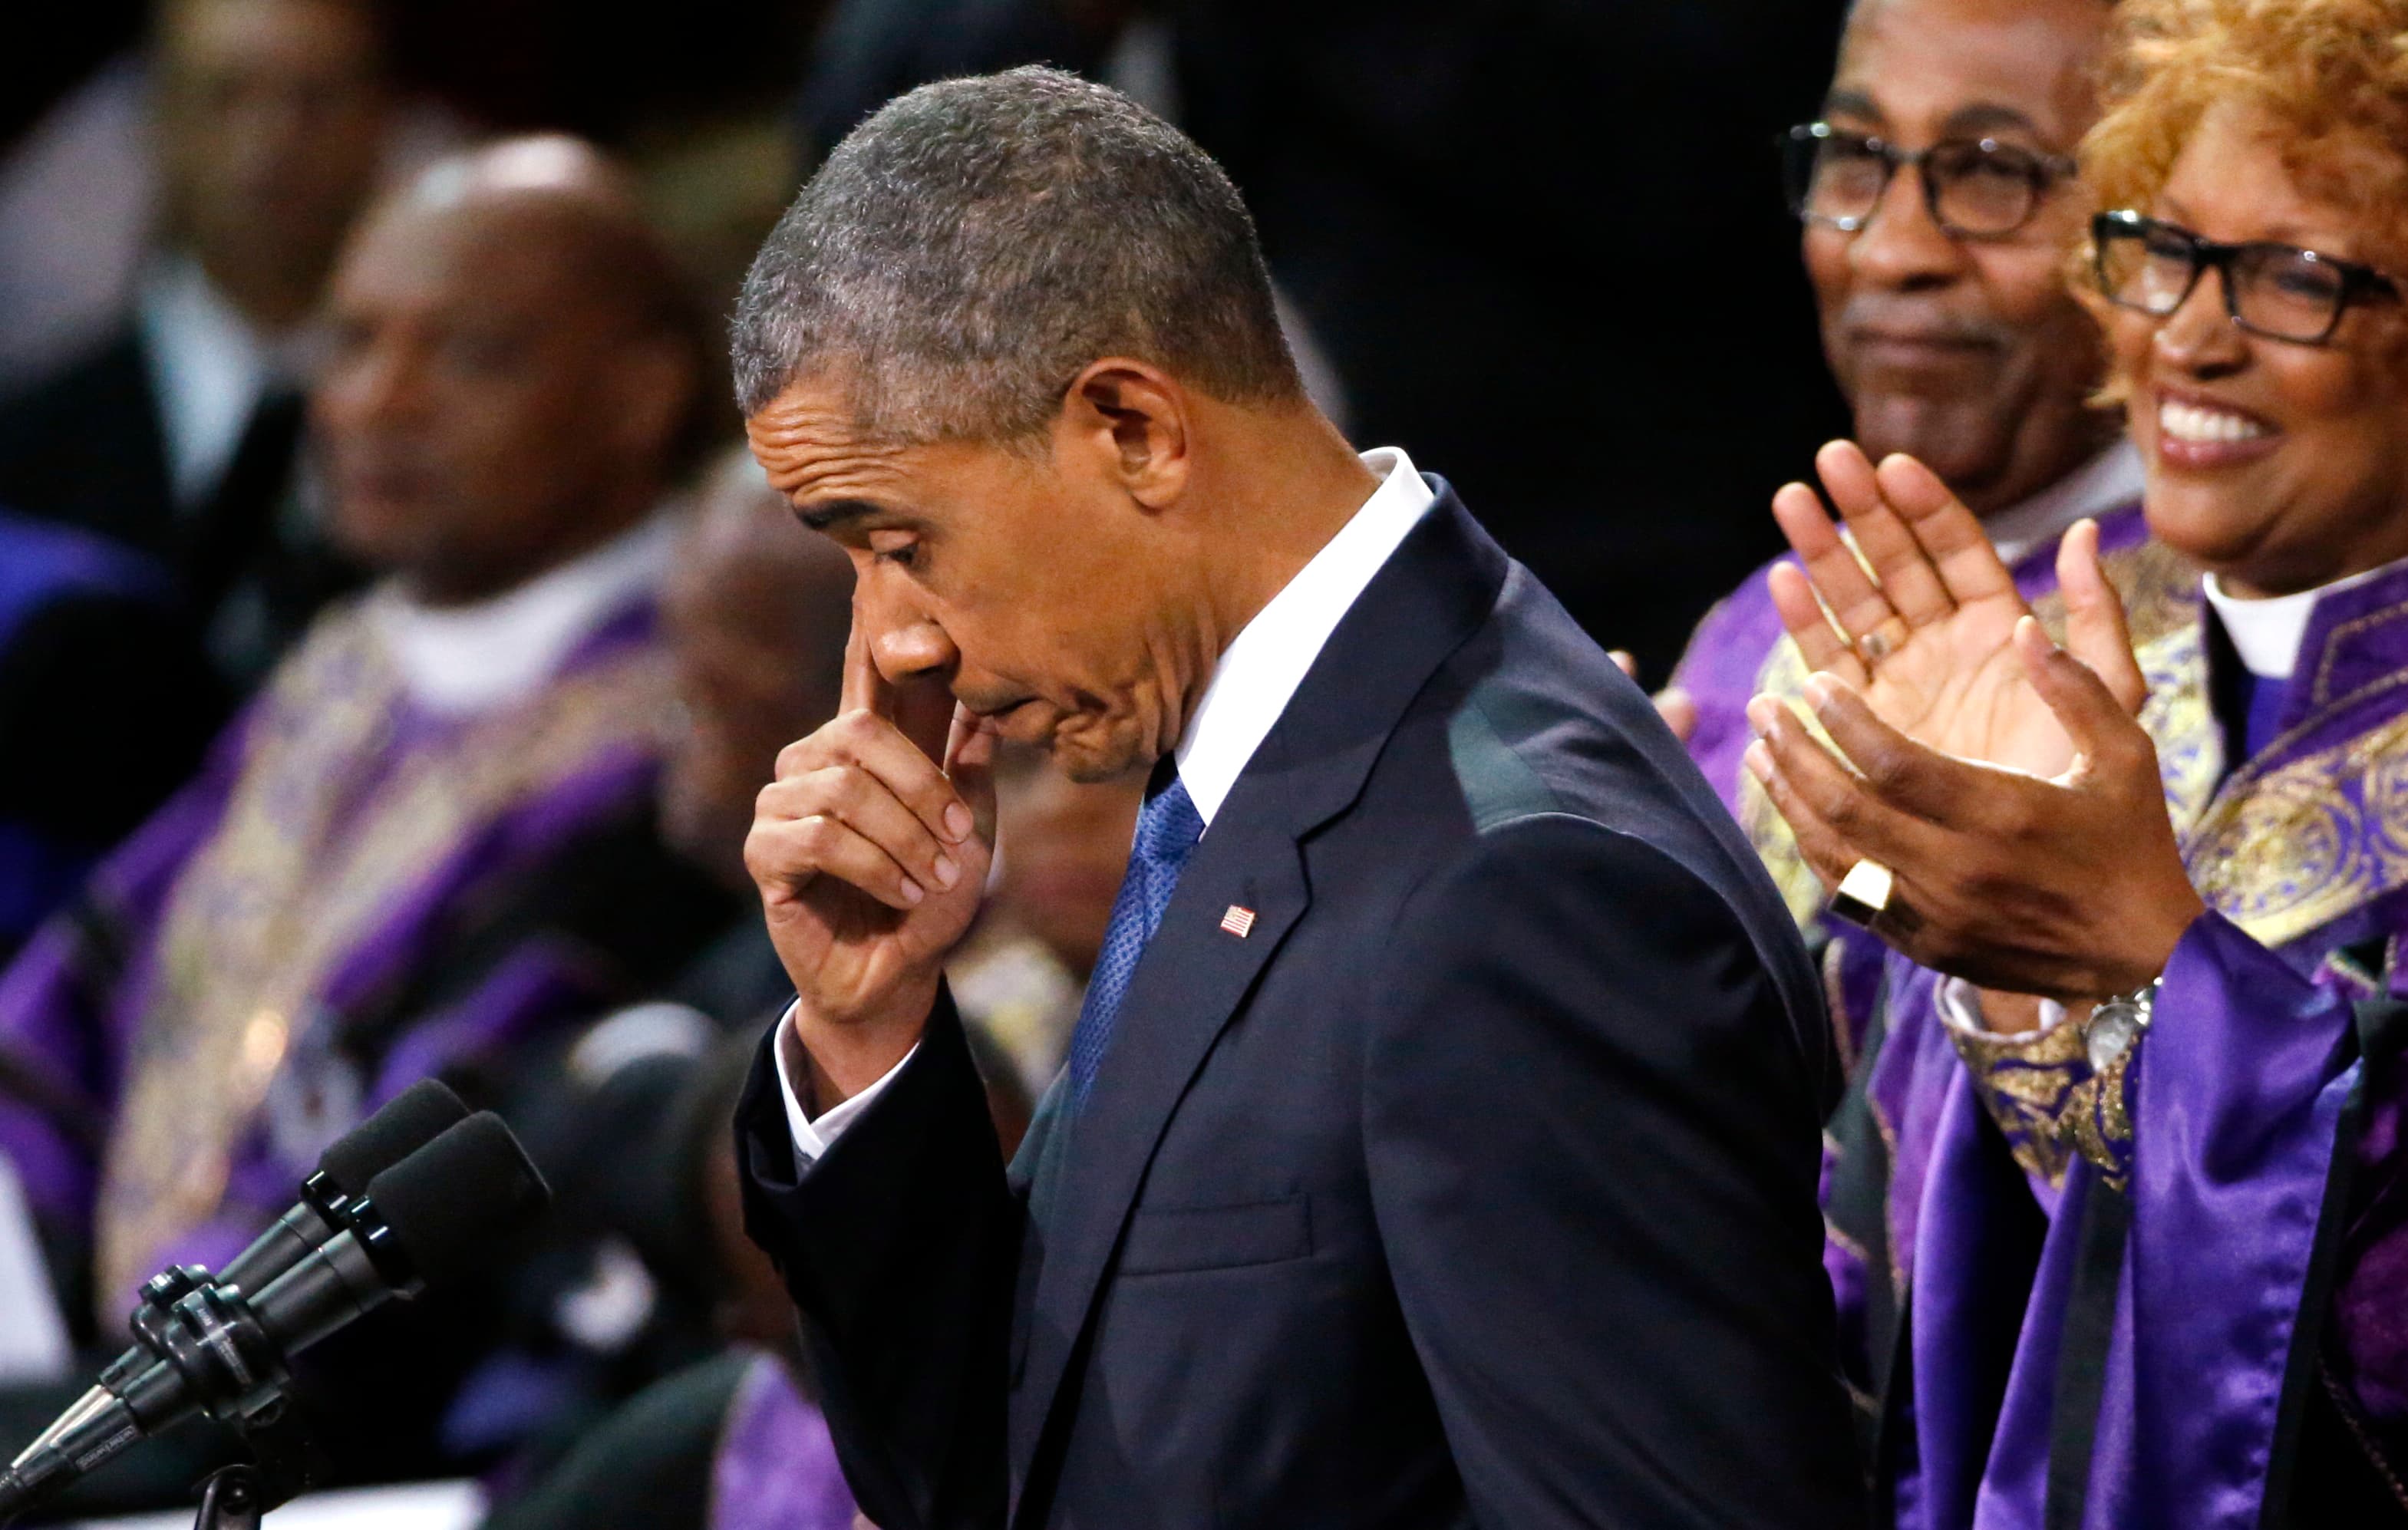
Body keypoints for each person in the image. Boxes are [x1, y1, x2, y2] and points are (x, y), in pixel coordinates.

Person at [731, 68, 1862, 1529]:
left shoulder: (1514, 891)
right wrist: (871, 1032)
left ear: (1133, 426)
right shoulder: (1248, 774)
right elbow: (1001, 1474)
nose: (895, 639)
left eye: (900, 539)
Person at [1745, 0, 2408, 1519]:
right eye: (2161, 252)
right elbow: (1844, 1228)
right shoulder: (2037, 654)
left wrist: (2132, 967)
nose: (2192, 335)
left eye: (2299, 276)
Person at [0, 137, 729, 1470]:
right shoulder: (339, 667)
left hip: (362, 1421)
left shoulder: (690, 717)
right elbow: (75, 997)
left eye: (468, 354)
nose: (375, 401)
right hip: (109, 1353)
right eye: (351, 343)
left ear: (640, 394)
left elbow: (469, 1149)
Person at [1667, 0, 2197, 935]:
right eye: (1859, 159)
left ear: (2159, 227)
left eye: (1996, 173)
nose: (1890, 250)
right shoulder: (1766, 617)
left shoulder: (2224, 659)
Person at [0, 0, 394, 694]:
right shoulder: (25, 451)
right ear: (159, 121)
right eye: (228, 94)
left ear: (382, 123)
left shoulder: (452, 449)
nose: (277, 137)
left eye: (316, 97)